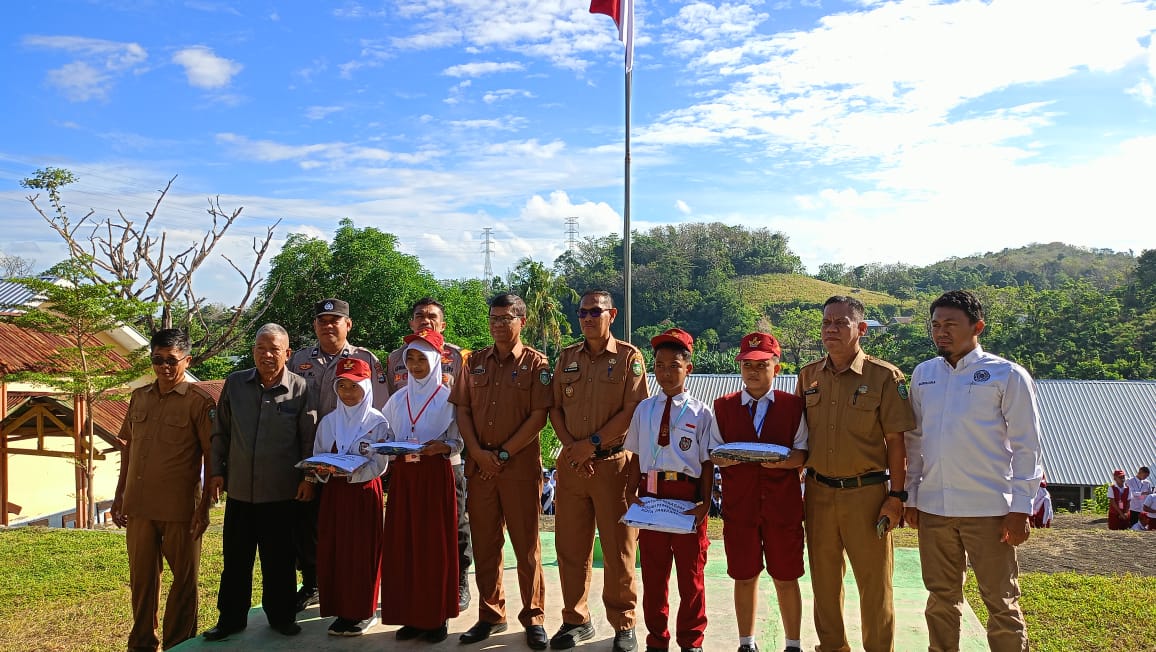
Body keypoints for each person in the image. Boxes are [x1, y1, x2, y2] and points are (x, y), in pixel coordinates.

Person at [904, 290, 1044, 652]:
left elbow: (1027, 446)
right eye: (935, 325)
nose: (941, 332)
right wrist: (912, 497)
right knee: (940, 599)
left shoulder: (1006, 374)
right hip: (935, 509)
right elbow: (915, 442)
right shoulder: (923, 375)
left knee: (1000, 601)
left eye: (950, 324)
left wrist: (1020, 508)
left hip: (990, 511)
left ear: (977, 327)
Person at [795, 296, 915, 652]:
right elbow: (800, 435)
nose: (831, 329)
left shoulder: (885, 377)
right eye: (826, 322)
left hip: (868, 495)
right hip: (818, 493)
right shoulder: (808, 375)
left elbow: (897, 442)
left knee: (875, 586)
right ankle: (832, 647)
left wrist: (896, 497)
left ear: (861, 329)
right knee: (825, 583)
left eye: (841, 323)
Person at [202, 323, 318, 642]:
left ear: (288, 354)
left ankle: (281, 617)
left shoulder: (300, 388)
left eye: (274, 349)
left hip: (281, 493)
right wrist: (216, 472)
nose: (266, 355)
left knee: (278, 562)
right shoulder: (236, 384)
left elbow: (309, 439)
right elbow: (220, 433)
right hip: (239, 491)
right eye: (260, 348)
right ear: (253, 350)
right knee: (236, 561)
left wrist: (309, 477)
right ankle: (230, 619)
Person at [451, 293, 552, 649]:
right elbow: (462, 409)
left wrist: (504, 454)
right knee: (485, 546)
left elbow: (539, 417)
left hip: (519, 470)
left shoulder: (537, 364)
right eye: (493, 318)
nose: (497, 324)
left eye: (506, 318)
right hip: (480, 470)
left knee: (526, 547)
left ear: (521, 321)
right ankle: (491, 614)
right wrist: (477, 453)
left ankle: (534, 616)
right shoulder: (474, 362)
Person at [549, 290, 648, 652]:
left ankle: (623, 623)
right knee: (570, 547)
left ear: (612, 314)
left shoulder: (628, 358)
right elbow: (555, 408)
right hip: (573, 466)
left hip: (612, 464)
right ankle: (576, 620)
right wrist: (573, 450)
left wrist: (590, 444)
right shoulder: (567, 358)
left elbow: (633, 409)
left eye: (595, 311)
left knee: (619, 548)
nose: (588, 317)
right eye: (582, 312)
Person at [112, 329, 215, 652]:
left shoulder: (199, 402)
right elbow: (128, 449)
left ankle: (179, 645)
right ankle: (141, 643)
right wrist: (119, 495)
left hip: (180, 510)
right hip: (139, 507)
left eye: (172, 361)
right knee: (142, 583)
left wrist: (204, 508)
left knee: (184, 583)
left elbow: (212, 457)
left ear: (187, 360)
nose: (164, 367)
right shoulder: (139, 397)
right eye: (157, 360)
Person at [287, 298, 389, 612]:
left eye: (335, 320)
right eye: (322, 320)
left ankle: (360, 596)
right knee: (312, 526)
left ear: (348, 324)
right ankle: (315, 583)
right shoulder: (301, 359)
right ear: (315, 325)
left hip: (359, 457)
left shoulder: (365, 358)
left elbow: (380, 405)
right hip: (316, 451)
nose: (328, 326)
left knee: (357, 537)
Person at [709, 332, 809, 652]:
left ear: (776, 369)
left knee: (786, 576)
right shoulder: (723, 407)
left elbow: (802, 455)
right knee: (744, 575)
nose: (753, 371)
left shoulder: (794, 406)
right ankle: (746, 642)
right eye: (747, 364)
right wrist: (728, 456)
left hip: (783, 508)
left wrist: (778, 462)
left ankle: (793, 644)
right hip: (741, 508)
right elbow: (714, 452)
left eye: (761, 364)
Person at [624, 328, 717, 652]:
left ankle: (691, 640)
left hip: (687, 498)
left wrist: (704, 501)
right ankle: (656, 640)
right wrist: (631, 490)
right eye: (659, 365)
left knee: (691, 577)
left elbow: (706, 463)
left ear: (688, 368)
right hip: (651, 497)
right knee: (653, 576)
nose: (665, 372)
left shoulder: (701, 413)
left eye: (673, 365)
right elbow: (635, 455)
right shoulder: (644, 410)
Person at [385, 297, 473, 611]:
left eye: (432, 316)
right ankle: (411, 598)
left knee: (451, 528)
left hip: (444, 469)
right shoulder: (396, 361)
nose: (425, 320)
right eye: (419, 316)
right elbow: (385, 426)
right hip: (408, 471)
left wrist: (447, 446)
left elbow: (464, 424)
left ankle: (457, 582)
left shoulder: (460, 360)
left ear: (443, 323)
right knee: (409, 534)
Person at [379, 329, 463, 643]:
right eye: (410, 359)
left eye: (421, 359)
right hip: (404, 477)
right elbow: (386, 434)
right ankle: (410, 616)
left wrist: (442, 447)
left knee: (433, 545)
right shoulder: (399, 398)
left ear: (434, 361)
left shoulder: (449, 397)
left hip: (434, 477)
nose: (415, 365)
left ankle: (435, 617)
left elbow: (458, 439)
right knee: (404, 544)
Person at [310, 357, 388, 636]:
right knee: (336, 549)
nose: (347, 393)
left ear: (366, 387)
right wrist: (322, 470)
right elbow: (319, 454)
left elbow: (380, 462)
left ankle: (363, 610)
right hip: (335, 494)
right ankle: (341, 608)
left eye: (354, 386)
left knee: (362, 550)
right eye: (341, 386)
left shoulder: (377, 422)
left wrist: (353, 474)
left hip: (364, 493)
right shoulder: (329, 421)